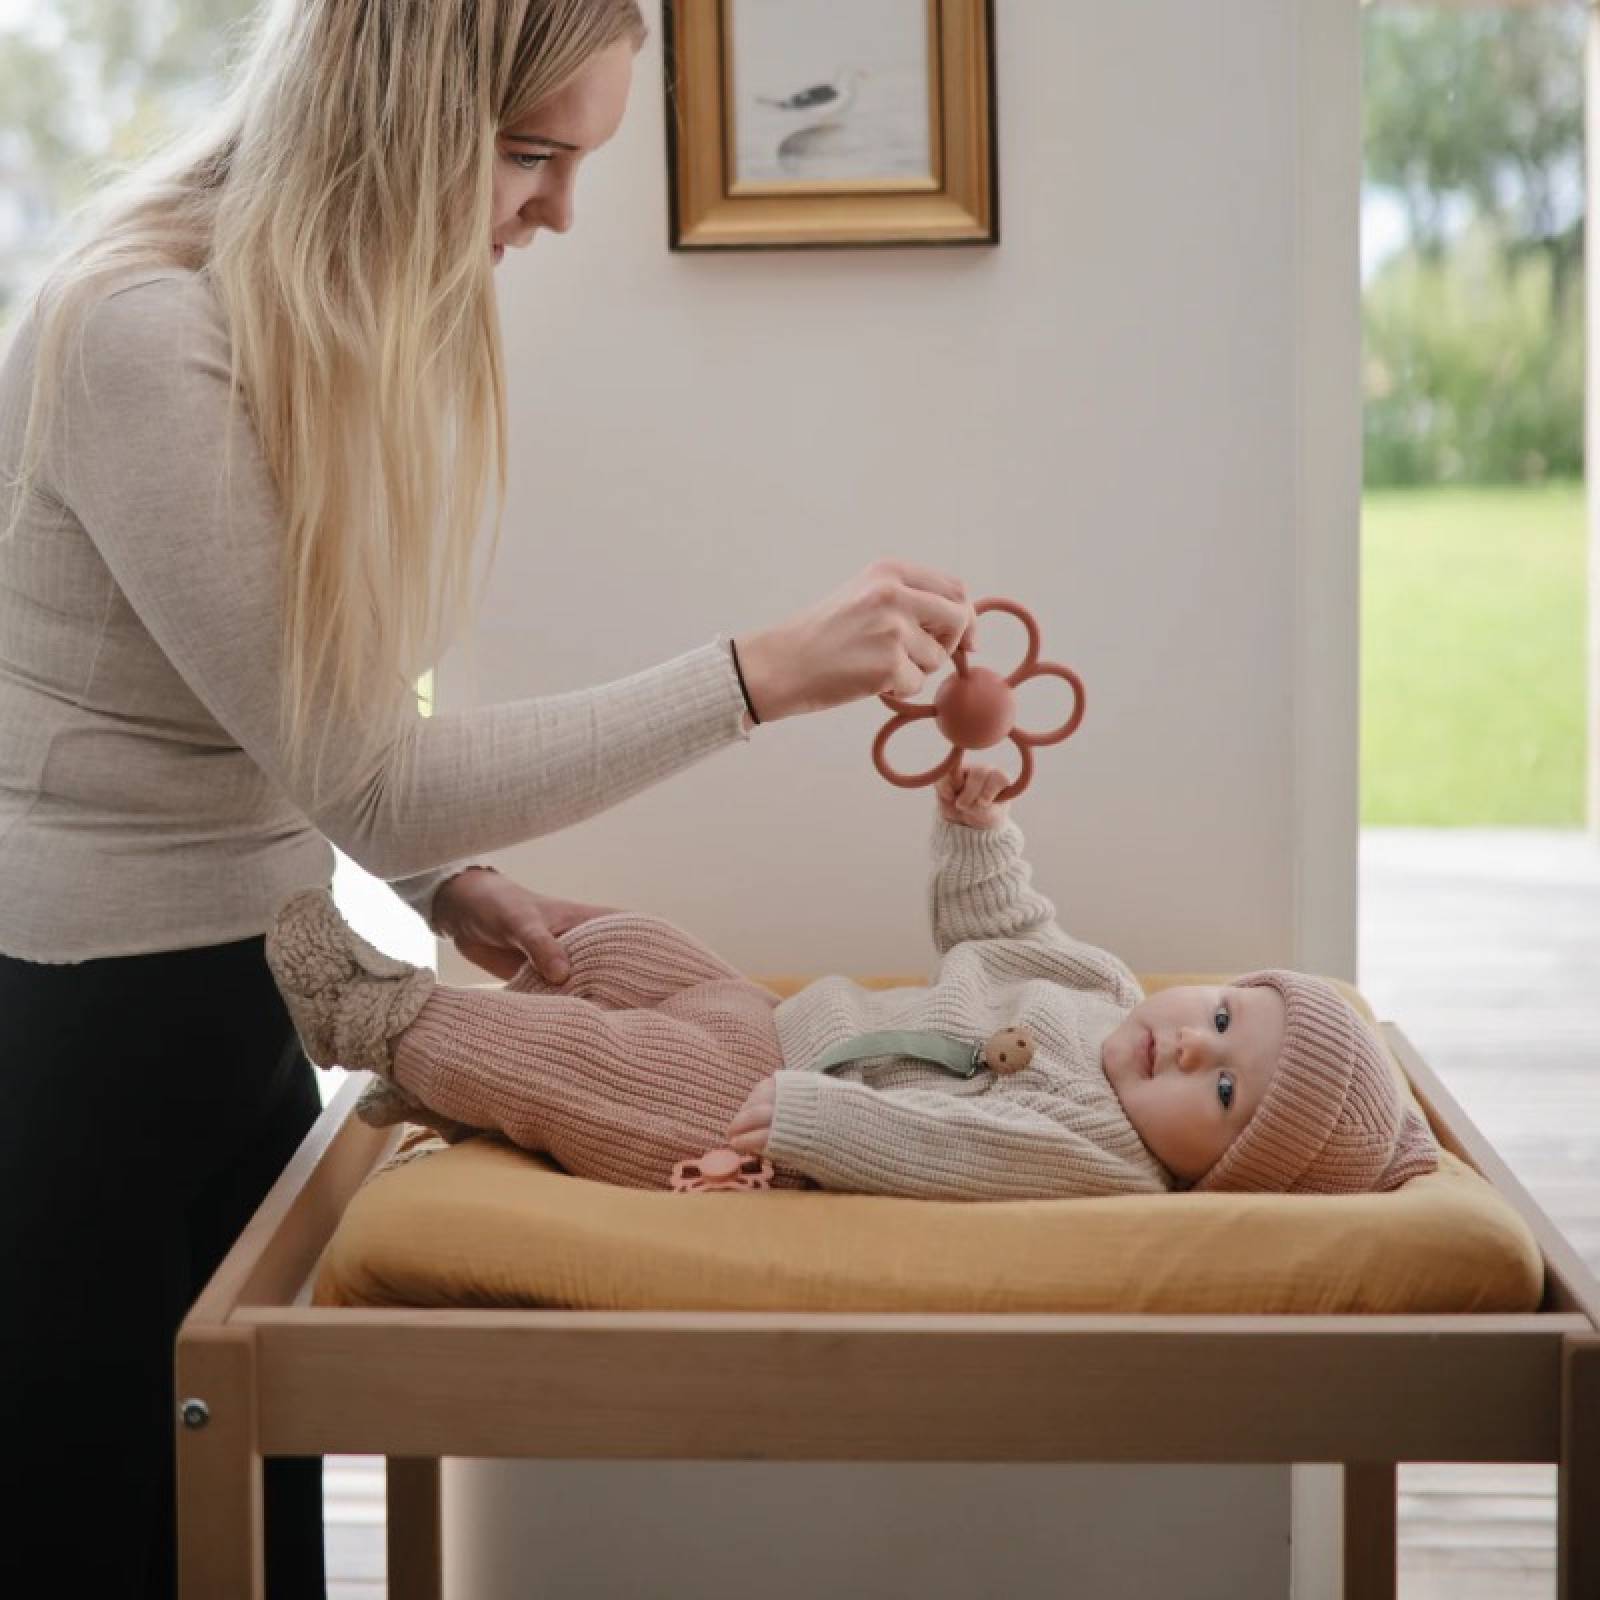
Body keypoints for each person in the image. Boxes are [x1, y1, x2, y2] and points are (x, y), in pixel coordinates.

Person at [0, 3, 979, 1595]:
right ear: (392, 111)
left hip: (246, 987)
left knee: (256, 1542)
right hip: (92, 1035)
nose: (558, 211)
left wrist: (450, 882)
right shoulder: (139, 336)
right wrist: (764, 673)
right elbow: (372, 777)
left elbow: (307, 723)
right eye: (531, 154)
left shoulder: (303, 321)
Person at [266, 760, 1442, 1201]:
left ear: (1220, 1172)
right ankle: (463, 1082)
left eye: (1224, 1091)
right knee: (623, 951)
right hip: (778, 1020)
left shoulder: (1101, 1151)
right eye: (1225, 1015)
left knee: (603, 1070)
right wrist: (981, 835)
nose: (1193, 1043)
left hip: (756, 1116)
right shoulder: (1107, 987)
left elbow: (950, 1154)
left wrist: (814, 1120)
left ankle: (383, 1019)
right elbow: (1005, 927)